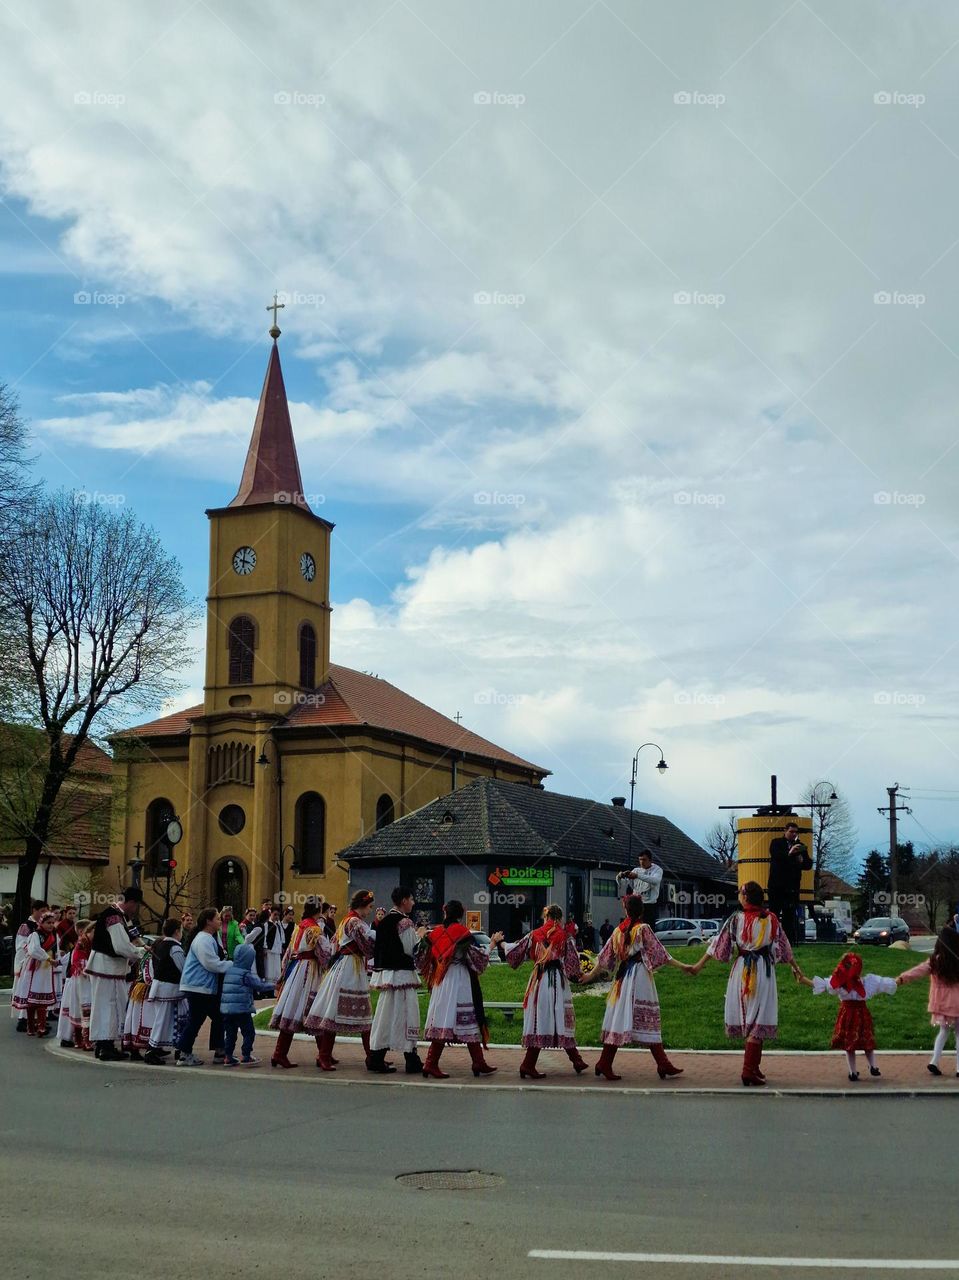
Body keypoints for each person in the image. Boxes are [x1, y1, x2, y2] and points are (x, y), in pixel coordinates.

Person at [689, 881, 801, 1086]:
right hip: (763, 971)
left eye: (741, 894)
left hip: (741, 970)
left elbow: (719, 946)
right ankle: (749, 1070)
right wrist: (796, 968)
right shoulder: (771, 919)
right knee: (758, 1016)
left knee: (750, 1014)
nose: (739, 897)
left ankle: (753, 1068)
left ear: (746, 897)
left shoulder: (735, 919)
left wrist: (698, 965)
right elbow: (784, 947)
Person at [578, 894, 694, 1080]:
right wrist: (685, 966)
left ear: (625, 910)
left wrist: (589, 975)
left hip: (622, 978)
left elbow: (604, 957)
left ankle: (606, 1062)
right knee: (647, 1019)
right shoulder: (643, 929)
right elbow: (660, 954)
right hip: (639, 976)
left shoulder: (618, 931)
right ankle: (661, 1064)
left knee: (618, 1018)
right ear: (641, 910)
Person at [417, 900, 503, 1079]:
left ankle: (434, 1063)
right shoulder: (462, 933)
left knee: (443, 1019)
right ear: (461, 914)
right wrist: (493, 943)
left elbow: (422, 958)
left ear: (444, 912)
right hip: (459, 979)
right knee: (467, 1019)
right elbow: (477, 957)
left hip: (441, 980)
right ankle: (437, 1063)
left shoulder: (436, 933)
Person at [502, 904, 588, 1079]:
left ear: (546, 917)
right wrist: (580, 976)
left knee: (540, 1019)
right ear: (559, 918)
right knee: (560, 1018)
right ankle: (530, 1064)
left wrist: (501, 943)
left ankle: (575, 1060)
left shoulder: (534, 934)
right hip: (556, 981)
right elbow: (572, 965)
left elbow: (515, 954)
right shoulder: (564, 936)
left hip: (538, 981)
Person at [305, 890, 383, 1071]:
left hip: (350, 966)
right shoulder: (354, 922)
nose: (370, 911)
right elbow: (368, 940)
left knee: (362, 1012)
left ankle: (371, 1057)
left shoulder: (348, 920)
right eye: (370, 907)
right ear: (362, 905)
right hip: (349, 967)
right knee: (336, 1010)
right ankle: (325, 1056)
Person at [797, 952, 896, 1081]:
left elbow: (825, 985)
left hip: (847, 1015)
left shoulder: (839, 984)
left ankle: (853, 1072)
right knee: (867, 1042)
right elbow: (883, 984)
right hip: (862, 1015)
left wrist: (804, 980)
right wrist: (899, 981)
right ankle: (873, 1066)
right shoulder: (867, 982)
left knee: (849, 1045)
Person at [269, 898, 331, 1069]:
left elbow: (289, 951)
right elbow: (324, 954)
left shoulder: (299, 927)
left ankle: (279, 1053)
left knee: (294, 1009)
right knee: (316, 1008)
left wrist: (283, 974)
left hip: (297, 969)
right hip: (310, 971)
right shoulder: (315, 929)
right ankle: (323, 1055)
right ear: (318, 911)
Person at [369, 885, 425, 1074]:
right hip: (402, 975)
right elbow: (412, 950)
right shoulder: (405, 922)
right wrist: (422, 937)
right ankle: (411, 1059)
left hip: (388, 975)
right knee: (406, 1014)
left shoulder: (383, 922)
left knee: (385, 1015)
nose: (413, 902)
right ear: (403, 901)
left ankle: (376, 1056)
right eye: (411, 899)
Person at [86, 888, 144, 1061]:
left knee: (109, 1006)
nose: (136, 910)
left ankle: (105, 1044)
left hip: (109, 967)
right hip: (106, 967)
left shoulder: (119, 916)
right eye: (136, 905)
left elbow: (131, 938)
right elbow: (121, 946)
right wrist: (140, 953)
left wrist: (139, 946)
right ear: (131, 902)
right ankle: (105, 1046)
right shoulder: (115, 917)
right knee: (107, 1007)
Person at [897, 925, 959, 1077]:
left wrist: (901, 979)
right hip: (957, 1002)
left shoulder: (935, 961)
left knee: (943, 1031)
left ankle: (934, 1061)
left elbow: (917, 971)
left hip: (940, 1003)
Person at [175, 908, 233, 1066]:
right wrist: (231, 965)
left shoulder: (209, 938)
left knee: (215, 1017)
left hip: (202, 987)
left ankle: (217, 1050)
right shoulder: (203, 939)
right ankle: (184, 1053)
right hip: (198, 987)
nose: (220, 921)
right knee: (197, 1020)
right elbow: (211, 963)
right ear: (208, 921)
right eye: (217, 919)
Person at [220, 942, 276, 1066]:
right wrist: (274, 985)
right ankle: (246, 1055)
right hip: (242, 1009)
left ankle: (228, 1056)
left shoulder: (228, 970)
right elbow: (259, 986)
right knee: (248, 1032)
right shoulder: (245, 974)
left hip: (227, 1010)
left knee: (230, 1033)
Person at [144, 917, 186, 1065]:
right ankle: (152, 1049)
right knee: (164, 1020)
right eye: (181, 930)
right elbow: (183, 968)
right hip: (169, 988)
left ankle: (175, 1046)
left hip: (160, 986)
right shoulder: (175, 948)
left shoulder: (160, 944)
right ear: (176, 931)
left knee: (170, 1019)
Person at [12, 910, 60, 1036]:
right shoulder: (35, 935)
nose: (50, 925)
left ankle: (42, 1026)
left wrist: (58, 959)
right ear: (41, 923)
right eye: (48, 922)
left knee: (43, 997)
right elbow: (34, 950)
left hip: (46, 969)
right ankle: (30, 1026)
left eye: (52, 923)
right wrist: (48, 958)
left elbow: (57, 951)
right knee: (32, 998)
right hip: (35, 968)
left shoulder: (54, 935)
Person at [766, 822, 811, 945]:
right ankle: (771, 940)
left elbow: (808, 865)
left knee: (789, 915)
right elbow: (776, 857)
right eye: (791, 831)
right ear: (785, 831)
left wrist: (802, 861)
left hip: (792, 886)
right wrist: (789, 853)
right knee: (774, 913)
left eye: (796, 832)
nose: (794, 834)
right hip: (777, 886)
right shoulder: (776, 843)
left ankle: (788, 942)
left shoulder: (800, 846)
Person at [56, 919, 95, 1050]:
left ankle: (79, 1039)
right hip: (79, 980)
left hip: (80, 980)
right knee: (83, 1008)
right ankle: (80, 1039)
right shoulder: (82, 943)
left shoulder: (87, 943)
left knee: (79, 1010)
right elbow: (78, 962)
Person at [12, 901, 47, 1032]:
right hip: (27, 962)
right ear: (34, 910)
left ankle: (36, 1020)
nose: (44, 914)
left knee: (36, 990)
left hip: (40, 963)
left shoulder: (42, 925)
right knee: (26, 989)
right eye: (42, 911)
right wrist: (34, 953)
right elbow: (21, 945)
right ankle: (23, 1019)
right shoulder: (26, 926)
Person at [120, 947, 155, 1061]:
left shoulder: (148, 956)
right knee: (141, 1019)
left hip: (140, 989)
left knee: (135, 1019)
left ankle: (137, 1048)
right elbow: (148, 977)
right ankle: (138, 1048)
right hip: (144, 991)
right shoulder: (150, 957)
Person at [616, 850, 663, 924]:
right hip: (636, 905)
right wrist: (620, 877)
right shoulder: (636, 870)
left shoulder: (657, 870)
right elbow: (624, 883)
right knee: (632, 928)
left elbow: (655, 880)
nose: (642, 862)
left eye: (644, 860)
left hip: (649, 906)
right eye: (640, 860)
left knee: (646, 929)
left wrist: (637, 876)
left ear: (650, 860)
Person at [262, 907, 286, 984]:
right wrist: (265, 947)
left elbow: (282, 935)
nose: (276, 917)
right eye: (275, 914)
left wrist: (282, 945)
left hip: (277, 949)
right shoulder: (267, 924)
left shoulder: (278, 924)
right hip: (270, 949)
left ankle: (275, 985)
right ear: (270, 914)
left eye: (278, 915)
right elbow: (265, 935)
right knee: (269, 969)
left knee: (276, 969)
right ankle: (268, 986)